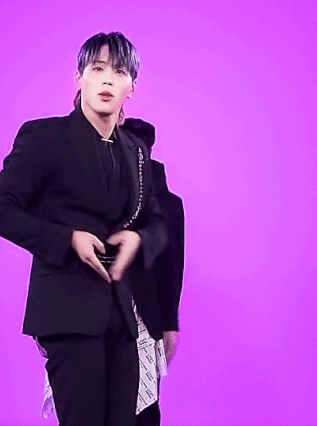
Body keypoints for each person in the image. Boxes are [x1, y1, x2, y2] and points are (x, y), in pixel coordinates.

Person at [0, 32, 167, 426]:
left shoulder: (136, 150)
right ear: (79, 78)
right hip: (67, 313)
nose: (107, 79)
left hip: (122, 317)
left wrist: (138, 238)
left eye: (119, 72)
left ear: (131, 87)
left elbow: (157, 222)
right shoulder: (43, 137)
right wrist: (68, 240)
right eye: (97, 69)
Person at [122, 118, 185, 426]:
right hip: (97, 313)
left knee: (144, 407)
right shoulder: (98, 192)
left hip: (146, 319)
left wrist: (170, 324)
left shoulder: (169, 204)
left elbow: (172, 266)